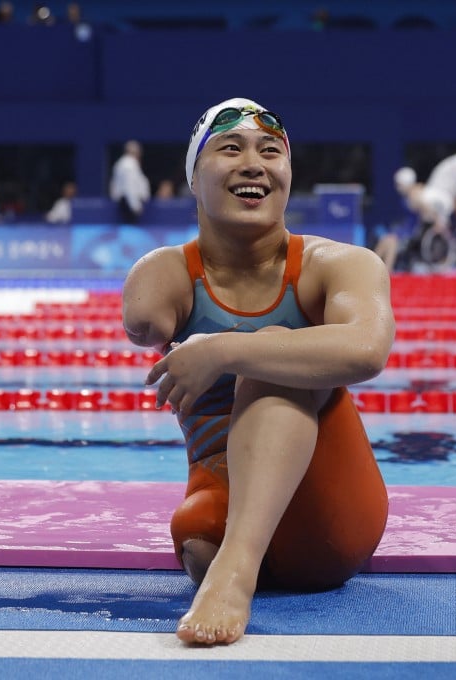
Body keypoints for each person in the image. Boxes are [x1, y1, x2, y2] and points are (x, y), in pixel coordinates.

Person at [122, 97, 394, 646]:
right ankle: (236, 556)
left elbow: (368, 349)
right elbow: (142, 318)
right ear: (193, 178)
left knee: (272, 353)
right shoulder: (168, 276)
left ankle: (236, 573)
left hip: (334, 513)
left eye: (271, 152)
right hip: (220, 505)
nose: (254, 164)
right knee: (195, 532)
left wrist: (226, 350)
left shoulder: (340, 264)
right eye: (230, 149)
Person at [109, 140, 151, 224]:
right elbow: (129, 187)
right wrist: (135, 206)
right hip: (128, 206)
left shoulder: (122, 163)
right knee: (130, 229)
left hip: (126, 203)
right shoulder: (129, 165)